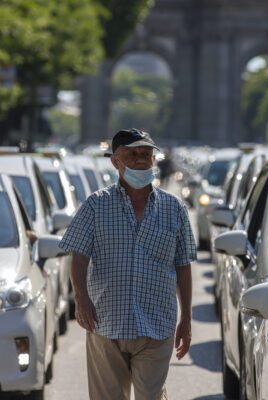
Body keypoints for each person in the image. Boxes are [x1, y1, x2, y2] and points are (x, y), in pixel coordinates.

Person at [59, 128, 196, 400]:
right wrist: (81, 299)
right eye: (132, 155)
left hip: (156, 326)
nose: (140, 161)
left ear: (154, 161)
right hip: (106, 324)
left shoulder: (174, 209)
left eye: (146, 154)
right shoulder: (96, 206)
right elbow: (79, 255)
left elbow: (183, 266)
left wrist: (187, 320)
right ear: (115, 162)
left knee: (150, 396)